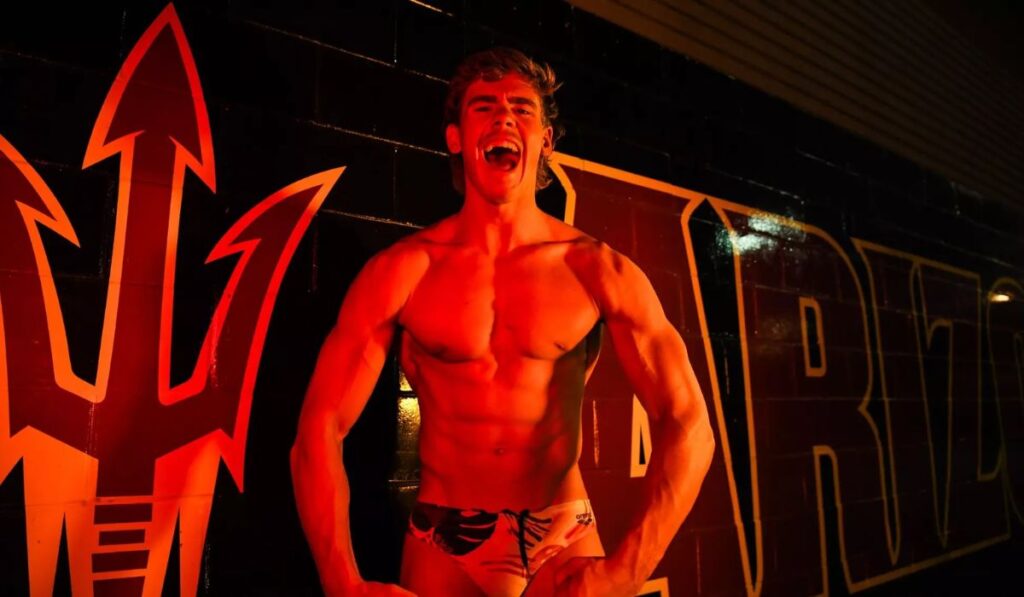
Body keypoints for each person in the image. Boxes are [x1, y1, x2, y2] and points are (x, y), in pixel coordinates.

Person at [291, 48, 715, 597]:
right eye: (484, 107)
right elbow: (318, 432)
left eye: (522, 109)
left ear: (545, 141)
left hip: (560, 533)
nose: (504, 119)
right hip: (445, 539)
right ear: (455, 137)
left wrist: (625, 572)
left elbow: (689, 424)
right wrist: (342, 584)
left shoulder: (596, 269)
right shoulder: (403, 271)